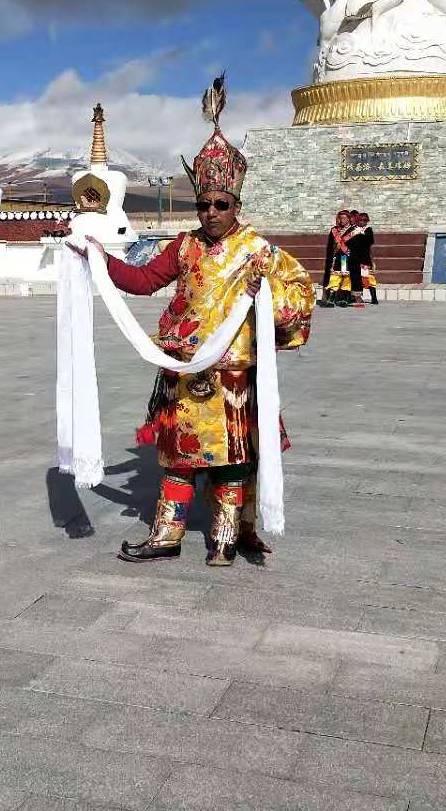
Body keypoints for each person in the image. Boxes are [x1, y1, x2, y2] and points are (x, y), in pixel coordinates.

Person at [72, 77, 314, 566]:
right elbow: (141, 281)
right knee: (175, 460)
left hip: (232, 378)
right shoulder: (183, 246)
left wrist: (263, 294)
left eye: (220, 204)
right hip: (183, 372)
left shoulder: (260, 252)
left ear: (236, 205)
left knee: (230, 464)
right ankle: (167, 534)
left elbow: (300, 298)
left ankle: (224, 538)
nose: (210, 212)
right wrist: (98, 257)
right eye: (202, 204)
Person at [320, 210, 354, 307]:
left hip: (345, 257)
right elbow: (330, 246)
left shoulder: (353, 231)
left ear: (348, 219)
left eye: (344, 218)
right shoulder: (334, 230)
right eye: (340, 218)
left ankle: (343, 299)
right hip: (335, 257)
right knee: (334, 277)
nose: (342, 220)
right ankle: (331, 298)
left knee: (345, 276)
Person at [346, 212, 377, 307]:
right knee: (355, 278)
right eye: (361, 220)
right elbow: (348, 242)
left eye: (365, 220)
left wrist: (372, 259)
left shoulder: (368, 230)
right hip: (354, 257)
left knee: (367, 277)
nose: (363, 222)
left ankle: (374, 297)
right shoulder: (352, 230)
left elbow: (369, 243)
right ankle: (357, 297)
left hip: (365, 257)